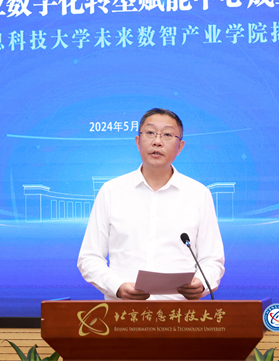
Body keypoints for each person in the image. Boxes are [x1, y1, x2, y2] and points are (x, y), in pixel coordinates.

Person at [77, 108, 225, 300]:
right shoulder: (111, 191)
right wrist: (118, 287)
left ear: (180, 147)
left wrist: (202, 283)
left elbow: (212, 259)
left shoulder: (198, 194)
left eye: (167, 135)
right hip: (124, 311)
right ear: (138, 141)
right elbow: (89, 257)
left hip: (180, 312)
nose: (157, 141)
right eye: (150, 133)